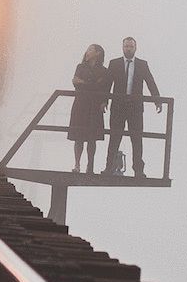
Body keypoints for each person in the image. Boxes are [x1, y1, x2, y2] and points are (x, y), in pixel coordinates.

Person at [103, 36, 164, 177]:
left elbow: (150, 82)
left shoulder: (142, 64)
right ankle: (109, 167)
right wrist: (104, 100)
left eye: (131, 46)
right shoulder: (114, 63)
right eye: (126, 46)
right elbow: (107, 84)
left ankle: (138, 169)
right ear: (122, 47)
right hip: (118, 106)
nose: (128, 49)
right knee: (114, 137)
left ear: (135, 48)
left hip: (135, 108)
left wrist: (157, 100)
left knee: (136, 138)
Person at [66, 44, 108, 172]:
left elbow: (103, 87)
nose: (87, 52)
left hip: (94, 106)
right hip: (80, 104)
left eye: (90, 50)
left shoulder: (103, 70)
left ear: (98, 53)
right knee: (78, 137)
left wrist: (83, 83)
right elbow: (75, 82)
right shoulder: (80, 67)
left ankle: (90, 166)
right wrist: (92, 84)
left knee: (92, 138)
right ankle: (77, 165)